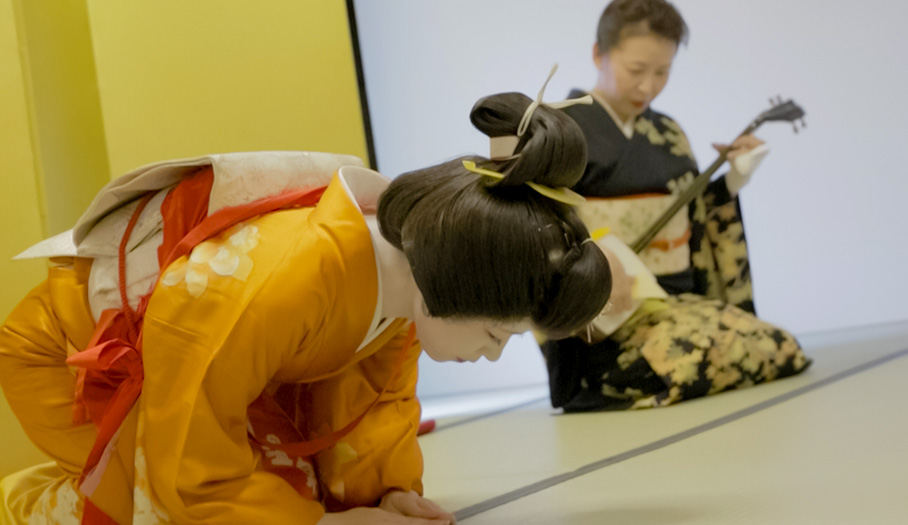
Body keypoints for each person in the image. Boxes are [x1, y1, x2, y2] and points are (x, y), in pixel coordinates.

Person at [0, 87, 610, 524]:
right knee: (168, 507)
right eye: (496, 334)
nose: (492, 354)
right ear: (455, 285)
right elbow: (191, 463)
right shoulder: (281, 278)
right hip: (68, 356)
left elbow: (371, 404)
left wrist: (385, 496)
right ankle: (32, 504)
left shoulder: (411, 280)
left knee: (306, 489)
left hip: (197, 373)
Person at [541, 0, 811, 412]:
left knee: (778, 346)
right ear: (599, 53)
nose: (648, 87)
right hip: (603, 324)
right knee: (696, 355)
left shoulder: (668, 133)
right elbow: (536, 230)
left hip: (675, 305)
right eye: (636, 70)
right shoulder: (561, 133)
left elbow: (697, 215)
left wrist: (736, 178)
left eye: (662, 72)